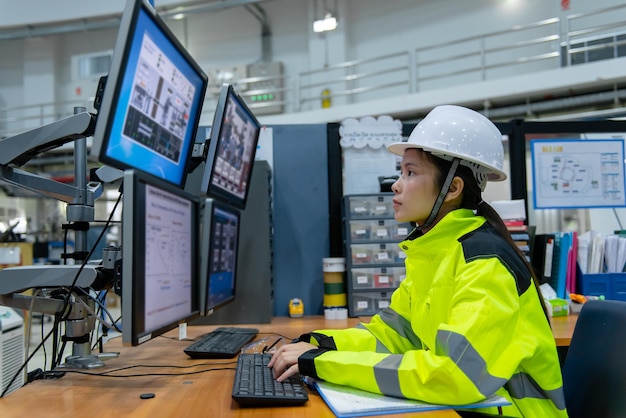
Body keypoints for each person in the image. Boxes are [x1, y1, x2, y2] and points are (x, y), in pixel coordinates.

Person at [268, 105, 568, 417]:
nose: (396, 184)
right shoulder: (435, 251)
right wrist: (317, 343)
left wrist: (321, 362)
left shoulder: (484, 263)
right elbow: (393, 337)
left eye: (410, 173)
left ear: (452, 188)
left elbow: (456, 375)